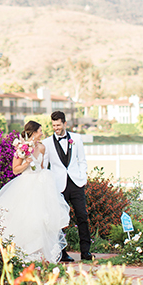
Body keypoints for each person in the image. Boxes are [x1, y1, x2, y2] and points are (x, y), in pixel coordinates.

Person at [0, 121, 69, 262]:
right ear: (33, 132)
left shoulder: (43, 147)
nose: (42, 133)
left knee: (41, 217)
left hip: (41, 186)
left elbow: (42, 166)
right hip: (25, 184)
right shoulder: (22, 148)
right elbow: (15, 170)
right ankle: (23, 249)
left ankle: (40, 252)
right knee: (24, 216)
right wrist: (27, 162)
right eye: (40, 131)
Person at [44, 110, 92, 262]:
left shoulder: (77, 139)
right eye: (53, 125)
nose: (56, 128)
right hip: (58, 186)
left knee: (82, 216)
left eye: (58, 125)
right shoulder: (47, 143)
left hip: (76, 184)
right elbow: (45, 166)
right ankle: (62, 253)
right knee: (60, 220)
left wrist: (82, 177)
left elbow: (82, 160)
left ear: (65, 123)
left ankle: (86, 252)